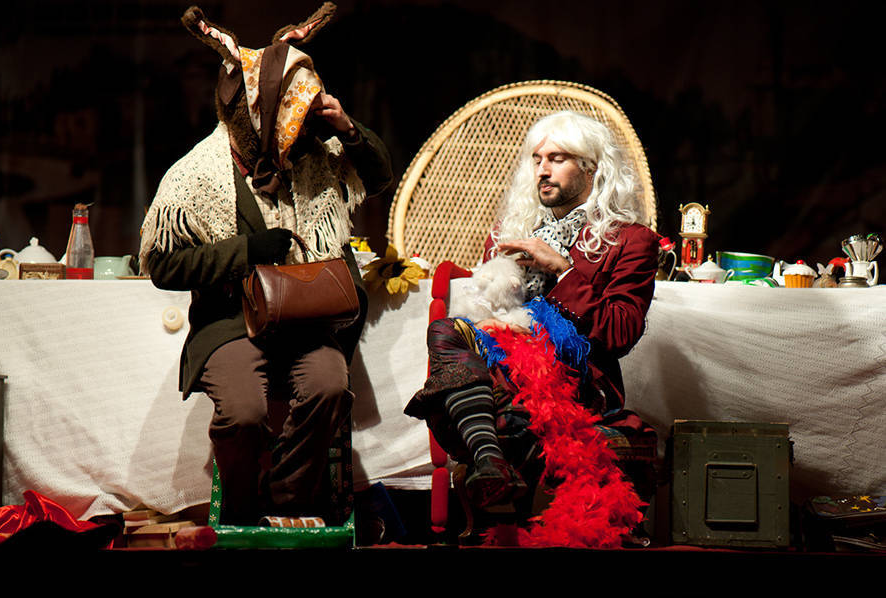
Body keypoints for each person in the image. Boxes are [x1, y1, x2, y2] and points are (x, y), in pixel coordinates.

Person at [138, 5, 392, 525]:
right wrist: (247, 252)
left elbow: (377, 176)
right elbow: (163, 266)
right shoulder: (195, 175)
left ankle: (288, 502)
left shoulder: (313, 159)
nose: (298, 133)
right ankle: (242, 511)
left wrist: (345, 126)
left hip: (306, 320)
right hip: (232, 322)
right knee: (245, 413)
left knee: (329, 387)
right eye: (288, 120)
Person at [405, 111, 659, 512]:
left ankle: (492, 463)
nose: (543, 170)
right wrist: (496, 325)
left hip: (573, 379)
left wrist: (562, 270)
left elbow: (619, 333)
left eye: (557, 159)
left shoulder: (631, 241)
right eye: (537, 160)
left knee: (461, 393)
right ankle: (492, 463)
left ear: (591, 168)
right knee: (446, 331)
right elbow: (486, 310)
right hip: (503, 367)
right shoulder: (512, 233)